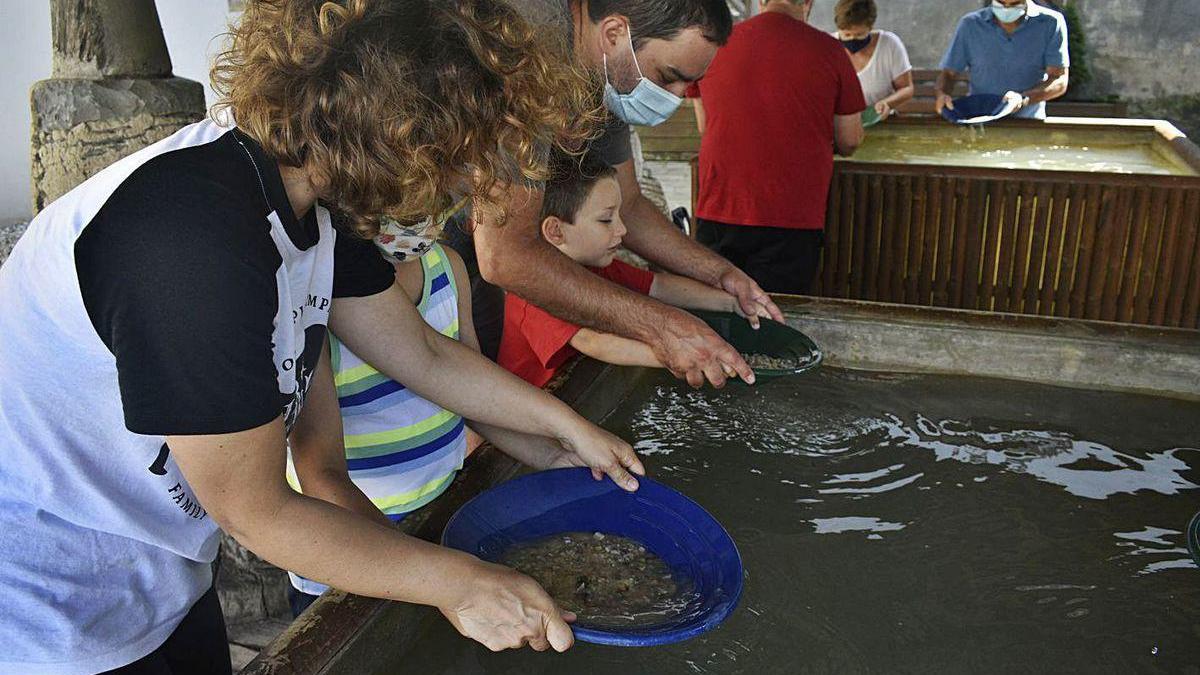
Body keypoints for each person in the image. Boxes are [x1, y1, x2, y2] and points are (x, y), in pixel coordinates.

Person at [0, 2, 644, 672]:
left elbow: (420, 353)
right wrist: (461, 583)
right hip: (44, 598)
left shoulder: (320, 197)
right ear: (400, 137)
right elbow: (258, 512)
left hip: (160, 567)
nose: (461, 196)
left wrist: (566, 431)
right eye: (456, 170)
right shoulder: (193, 241)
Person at [444, 0, 784, 389]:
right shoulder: (528, 49)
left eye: (686, 84)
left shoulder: (609, 73)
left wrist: (720, 274)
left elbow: (631, 204)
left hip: (488, 250)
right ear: (614, 33)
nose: (674, 97)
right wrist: (662, 326)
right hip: (425, 246)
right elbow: (507, 256)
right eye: (667, 76)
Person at [285, 233, 602, 616]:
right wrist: (438, 579)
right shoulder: (314, 298)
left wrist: (552, 455)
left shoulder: (446, 267)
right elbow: (321, 476)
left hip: (443, 520)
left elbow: (472, 399)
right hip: (351, 552)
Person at [499, 157, 771, 387]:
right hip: (532, 416)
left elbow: (659, 286)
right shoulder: (533, 293)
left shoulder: (598, 267)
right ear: (556, 231)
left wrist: (731, 302)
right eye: (606, 219)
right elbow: (596, 343)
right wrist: (683, 352)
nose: (622, 230)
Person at [688, 0, 866, 296]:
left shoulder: (715, 43)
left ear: (760, 1)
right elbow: (850, 140)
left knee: (718, 313)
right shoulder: (830, 50)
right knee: (779, 316)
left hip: (720, 204)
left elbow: (705, 126)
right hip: (792, 214)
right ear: (808, 3)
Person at [935, 0, 1070, 120]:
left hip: (1028, 122)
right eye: (1000, 3)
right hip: (979, 119)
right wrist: (942, 94)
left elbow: (1059, 79)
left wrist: (1024, 99)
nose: (1006, 8)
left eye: (1014, 4)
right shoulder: (970, 24)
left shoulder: (1051, 23)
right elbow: (948, 74)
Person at [831, 0, 914, 122]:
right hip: (839, 123)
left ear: (870, 27)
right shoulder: (827, 46)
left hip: (880, 119)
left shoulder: (889, 44)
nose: (853, 39)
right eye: (847, 35)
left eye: (860, 35)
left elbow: (906, 88)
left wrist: (887, 103)